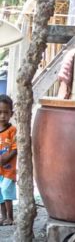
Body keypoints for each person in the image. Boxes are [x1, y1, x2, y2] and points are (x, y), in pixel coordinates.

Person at [0, 94, 16, 227]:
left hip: (9, 169)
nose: (2, 116)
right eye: (0, 113)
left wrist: (5, 158)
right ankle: (3, 217)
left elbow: (15, 149)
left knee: (6, 190)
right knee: (0, 193)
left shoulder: (12, 131)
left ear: (12, 113)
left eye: (6, 112)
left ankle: (10, 217)